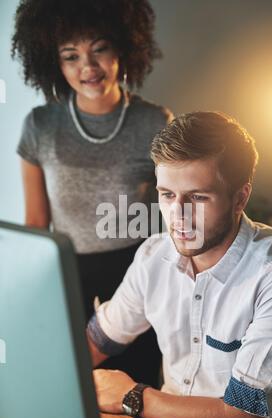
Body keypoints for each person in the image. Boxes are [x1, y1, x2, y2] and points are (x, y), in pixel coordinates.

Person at [87, 111, 272, 418]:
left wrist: (133, 396)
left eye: (198, 197)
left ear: (240, 197)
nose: (178, 215)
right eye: (168, 195)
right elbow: (99, 341)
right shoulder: (153, 256)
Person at [12, 0, 173, 386]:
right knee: (71, 386)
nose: (87, 67)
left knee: (137, 390)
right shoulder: (40, 125)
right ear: (54, 63)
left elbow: (172, 215)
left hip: (137, 274)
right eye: (71, 56)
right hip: (67, 276)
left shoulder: (154, 121)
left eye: (98, 48)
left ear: (122, 46)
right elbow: (36, 223)